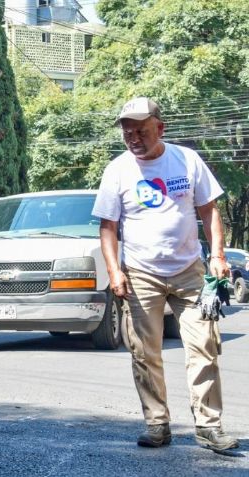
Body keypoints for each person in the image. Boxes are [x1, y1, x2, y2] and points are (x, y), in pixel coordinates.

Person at [92, 97, 239, 451]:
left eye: (141, 131)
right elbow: (108, 227)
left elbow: (209, 210)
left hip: (190, 272)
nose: (133, 138)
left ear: (161, 128)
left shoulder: (186, 160)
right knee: (145, 352)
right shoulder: (117, 170)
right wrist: (115, 271)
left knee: (203, 347)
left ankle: (208, 426)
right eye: (127, 133)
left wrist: (217, 255)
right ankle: (157, 424)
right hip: (141, 273)